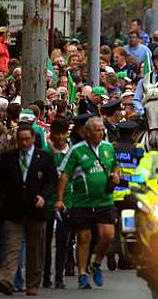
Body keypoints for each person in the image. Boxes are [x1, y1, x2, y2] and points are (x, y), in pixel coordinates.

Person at [0, 125, 57, 296]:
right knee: (12, 246)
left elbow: (52, 182)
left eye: (27, 139)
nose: (24, 143)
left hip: (36, 210)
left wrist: (44, 197)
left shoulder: (44, 158)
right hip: (13, 210)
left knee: (35, 248)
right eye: (21, 139)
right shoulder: (8, 158)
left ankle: (33, 282)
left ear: (33, 138)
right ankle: (7, 279)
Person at [55, 117, 120, 289]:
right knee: (84, 238)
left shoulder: (107, 148)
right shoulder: (76, 151)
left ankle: (97, 263)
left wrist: (116, 175)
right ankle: (82, 274)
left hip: (105, 201)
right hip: (82, 202)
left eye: (102, 130)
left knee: (108, 235)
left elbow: (115, 165)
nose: (101, 133)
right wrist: (60, 199)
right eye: (97, 130)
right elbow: (64, 175)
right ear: (88, 132)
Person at [106, 120, 144, 272]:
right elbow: (143, 172)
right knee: (129, 227)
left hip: (113, 194)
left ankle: (111, 251)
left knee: (114, 226)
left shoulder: (111, 148)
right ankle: (125, 259)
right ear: (134, 133)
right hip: (130, 195)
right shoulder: (138, 148)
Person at [44, 118, 73, 289]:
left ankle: (59, 277)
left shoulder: (73, 153)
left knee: (63, 240)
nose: (61, 137)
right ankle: (46, 275)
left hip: (67, 202)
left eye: (64, 133)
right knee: (46, 241)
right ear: (52, 134)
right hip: (48, 202)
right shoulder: (45, 152)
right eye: (58, 134)